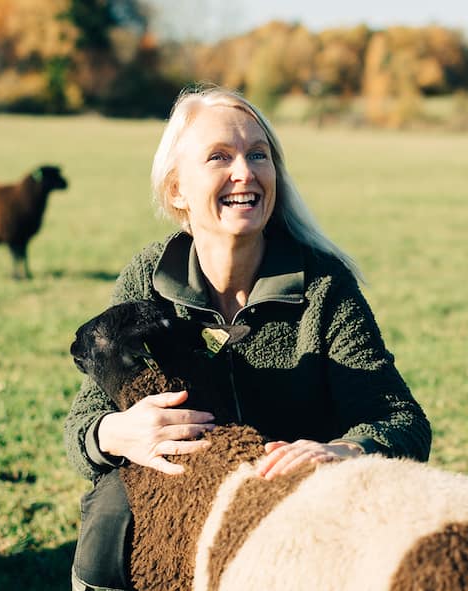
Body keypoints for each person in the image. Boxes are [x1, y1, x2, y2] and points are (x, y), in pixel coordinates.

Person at [64, 86, 432, 591]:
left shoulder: (324, 285)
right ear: (176, 190)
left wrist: (346, 450)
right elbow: (82, 422)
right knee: (112, 500)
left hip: (293, 506)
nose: (245, 172)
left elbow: (402, 421)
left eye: (258, 154)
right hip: (183, 507)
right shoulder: (148, 278)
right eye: (219, 157)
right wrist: (117, 433)